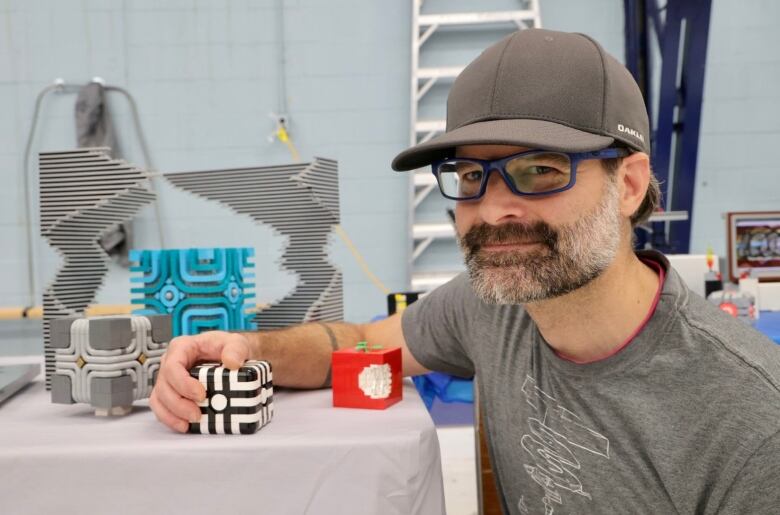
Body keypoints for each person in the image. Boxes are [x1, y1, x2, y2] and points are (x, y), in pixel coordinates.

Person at [150, 29, 780, 514]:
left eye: (540, 170)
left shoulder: (748, 416)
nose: (493, 209)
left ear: (630, 184)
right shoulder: (493, 309)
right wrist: (245, 347)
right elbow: (361, 347)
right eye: (472, 176)